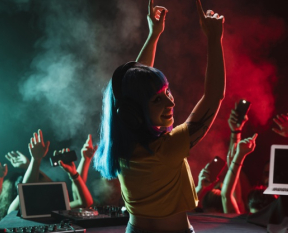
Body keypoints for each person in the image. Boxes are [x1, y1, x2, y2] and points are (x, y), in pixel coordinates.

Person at [93, 0, 225, 232]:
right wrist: (214, 39)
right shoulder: (168, 149)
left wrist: (154, 35)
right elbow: (214, 97)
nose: (170, 101)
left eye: (167, 92)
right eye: (157, 99)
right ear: (135, 113)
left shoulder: (120, 148)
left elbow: (134, 86)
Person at [221, 134, 258, 214]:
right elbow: (228, 195)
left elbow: (226, 195)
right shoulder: (277, 223)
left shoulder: (241, 221)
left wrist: (239, 155)